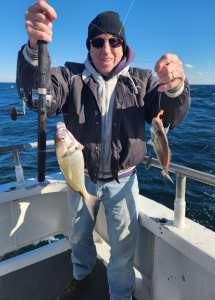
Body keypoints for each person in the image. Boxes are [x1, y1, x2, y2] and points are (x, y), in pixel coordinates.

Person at [16, 1, 190, 300]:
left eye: (114, 41)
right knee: (78, 235)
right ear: (89, 45)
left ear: (124, 46)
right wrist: (34, 51)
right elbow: (39, 99)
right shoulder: (69, 76)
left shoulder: (143, 80)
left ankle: (120, 295)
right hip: (79, 175)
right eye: (98, 41)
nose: (106, 49)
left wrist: (173, 88)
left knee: (123, 247)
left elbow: (169, 117)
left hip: (124, 180)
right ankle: (81, 275)